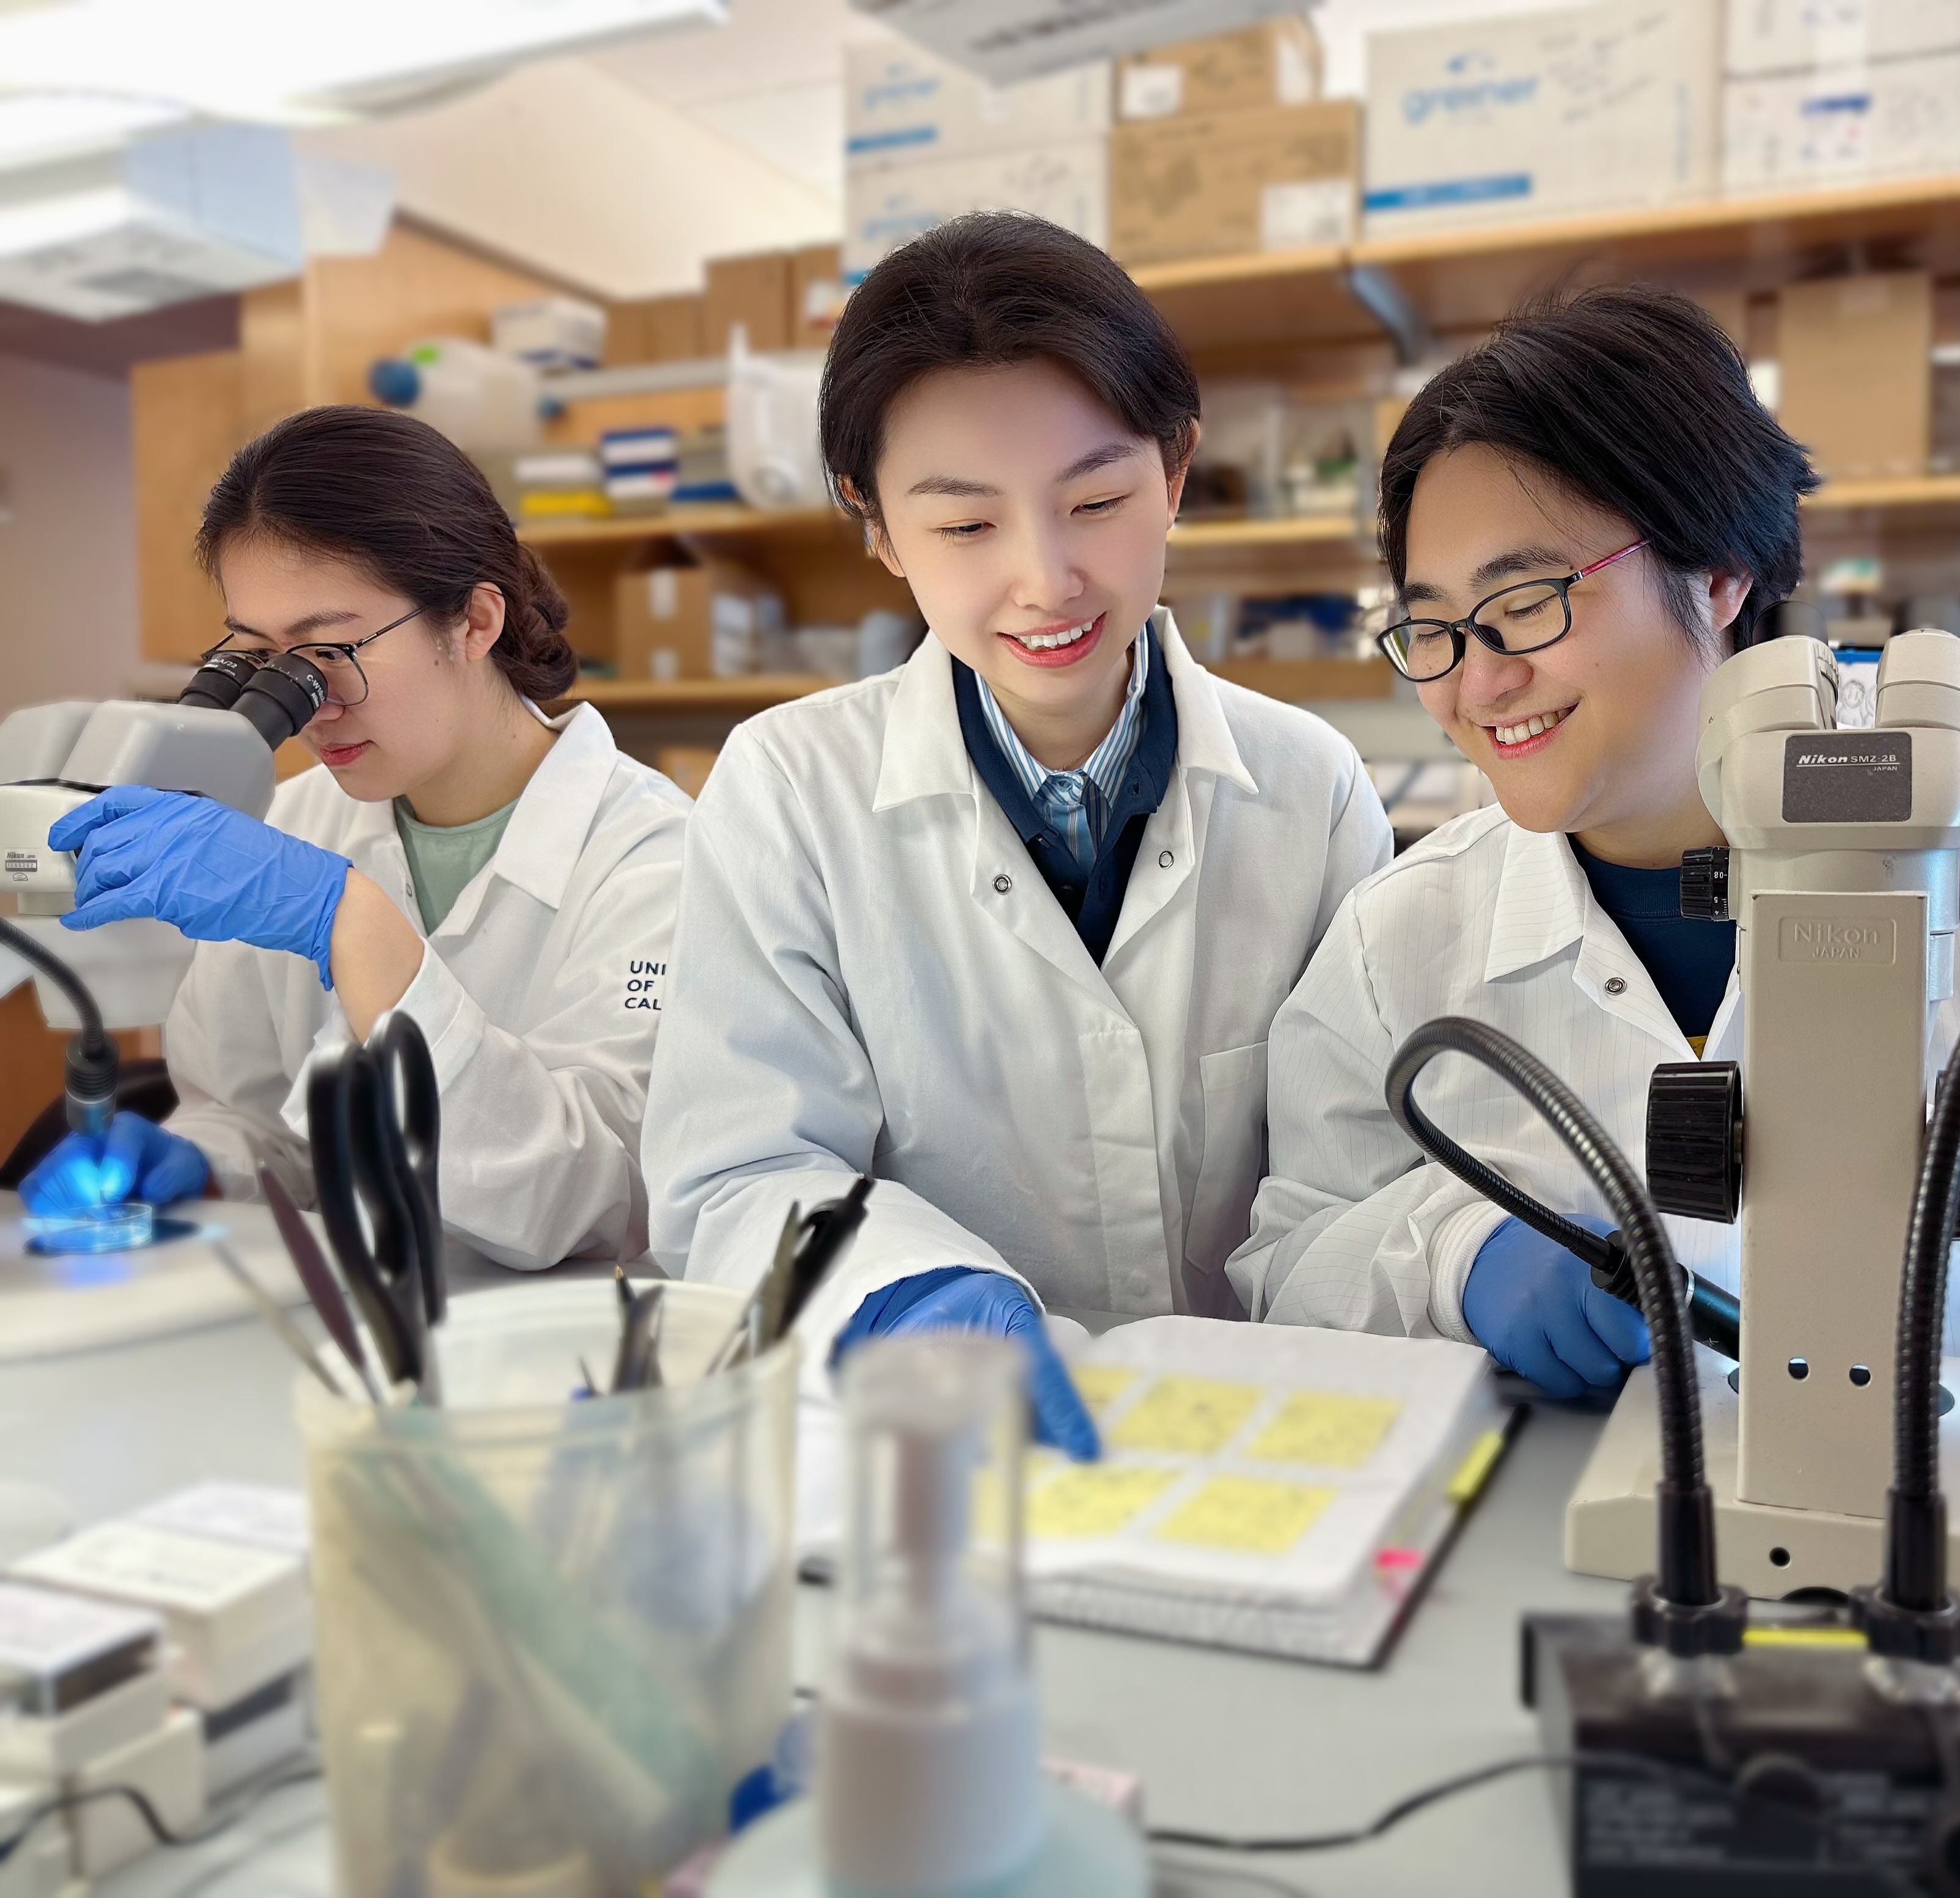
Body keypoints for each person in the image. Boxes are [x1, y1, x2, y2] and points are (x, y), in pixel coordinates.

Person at [1228, 285, 1960, 1558]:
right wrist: (1458, 1255)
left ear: (1721, 565)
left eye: (1525, 603)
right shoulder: (1405, 937)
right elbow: (1292, 1256)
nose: (1477, 677)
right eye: (1432, 624)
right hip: (1565, 1569)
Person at [642, 214, 1391, 1453]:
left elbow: (1360, 1173)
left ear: (1178, 469)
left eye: (1095, 498)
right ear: (874, 523)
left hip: (1253, 1440)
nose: (1047, 579)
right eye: (966, 525)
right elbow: (733, 1171)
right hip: (938, 1441)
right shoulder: (787, 788)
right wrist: (902, 1286)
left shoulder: (1307, 787)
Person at [24, 405, 689, 1269]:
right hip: (335, 1331)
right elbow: (255, 1116)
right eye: (261, 658)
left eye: (331, 649)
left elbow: (594, 1198)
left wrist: (351, 924)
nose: (311, 703)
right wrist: (204, 1158)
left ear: (476, 621)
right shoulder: (289, 826)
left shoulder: (660, 857)